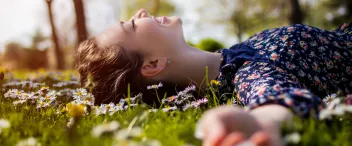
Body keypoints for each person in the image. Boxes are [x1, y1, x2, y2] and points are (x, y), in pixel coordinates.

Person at [75, 9, 352, 146]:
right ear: (152, 64)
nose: (142, 12)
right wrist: (257, 122)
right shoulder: (246, 73)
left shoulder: (236, 55)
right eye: (133, 24)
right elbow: (275, 98)